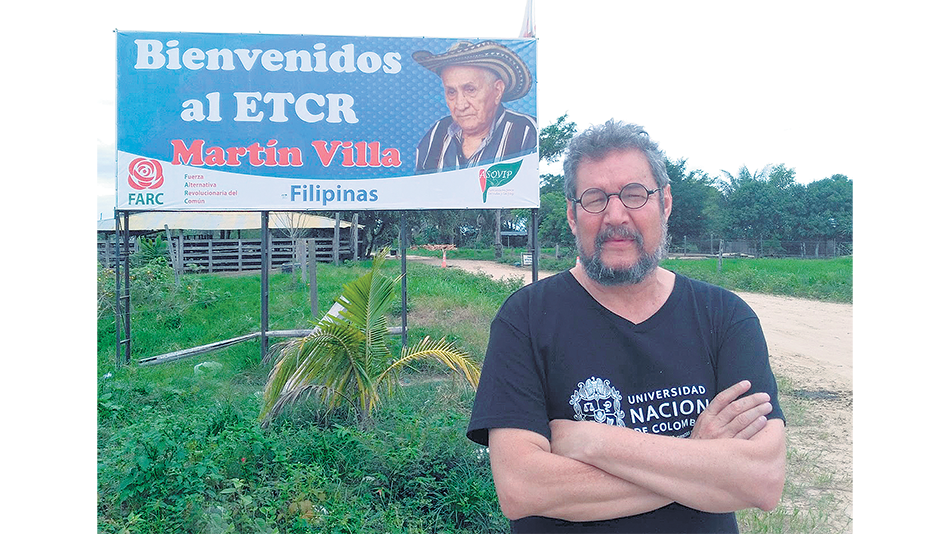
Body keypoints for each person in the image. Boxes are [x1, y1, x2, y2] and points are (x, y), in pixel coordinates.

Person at [466, 119, 787, 533]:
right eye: (595, 198)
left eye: (635, 195)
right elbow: (523, 489)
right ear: (571, 214)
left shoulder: (724, 317)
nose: (616, 215)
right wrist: (699, 460)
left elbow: (760, 480)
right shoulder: (525, 319)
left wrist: (593, 442)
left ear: (665, 203)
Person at [412, 40, 538, 173]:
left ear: (497, 90)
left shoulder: (527, 132)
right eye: (451, 92)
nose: (460, 105)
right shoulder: (437, 134)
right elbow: (420, 189)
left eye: (470, 89)